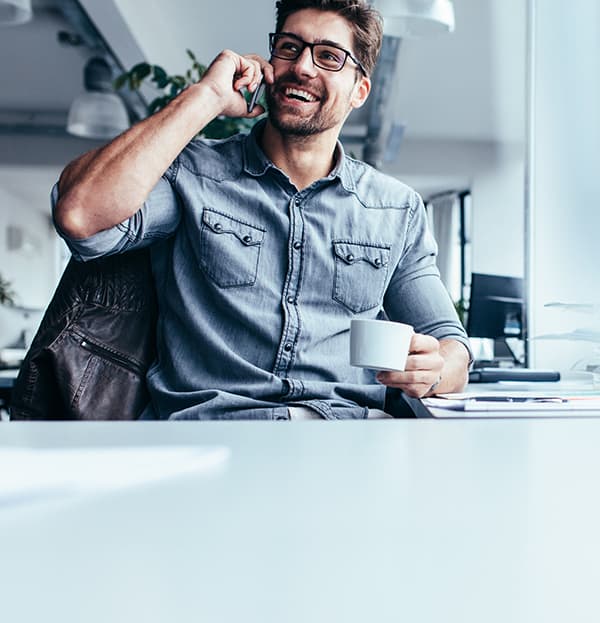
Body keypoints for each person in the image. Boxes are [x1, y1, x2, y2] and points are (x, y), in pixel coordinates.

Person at [52, 0, 471, 421]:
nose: (303, 66)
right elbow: (80, 216)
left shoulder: (396, 210)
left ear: (359, 91)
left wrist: (436, 369)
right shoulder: (193, 172)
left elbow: (452, 347)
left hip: (345, 440)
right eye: (289, 47)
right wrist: (207, 97)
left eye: (329, 56)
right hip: (211, 435)